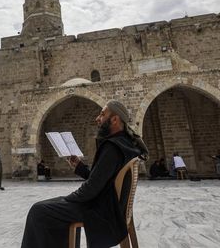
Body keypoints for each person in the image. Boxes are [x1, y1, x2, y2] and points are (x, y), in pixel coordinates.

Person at [21, 100, 148, 248]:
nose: (97, 118)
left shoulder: (112, 147)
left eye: (102, 114)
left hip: (102, 212)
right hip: (110, 208)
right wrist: (80, 167)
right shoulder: (125, 143)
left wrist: (67, 199)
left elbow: (90, 189)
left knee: (38, 210)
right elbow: (101, 180)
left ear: (114, 119)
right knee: (50, 207)